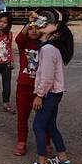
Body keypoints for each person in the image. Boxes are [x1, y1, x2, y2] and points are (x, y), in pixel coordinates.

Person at [21, 17, 74, 164]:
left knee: (38, 126)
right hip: (54, 93)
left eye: (52, 25)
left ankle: (42, 163)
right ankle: (63, 158)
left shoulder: (48, 49)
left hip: (48, 94)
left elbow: (47, 78)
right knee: (50, 125)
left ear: (56, 34)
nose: (47, 25)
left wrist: (39, 95)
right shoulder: (50, 48)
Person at [13, 12, 52, 156]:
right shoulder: (23, 44)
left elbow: (52, 29)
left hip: (41, 88)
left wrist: (40, 21)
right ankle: (21, 141)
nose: (34, 30)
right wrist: (29, 22)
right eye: (31, 28)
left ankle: (46, 142)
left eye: (37, 28)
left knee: (44, 117)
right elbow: (19, 37)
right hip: (24, 86)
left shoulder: (46, 45)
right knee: (22, 116)